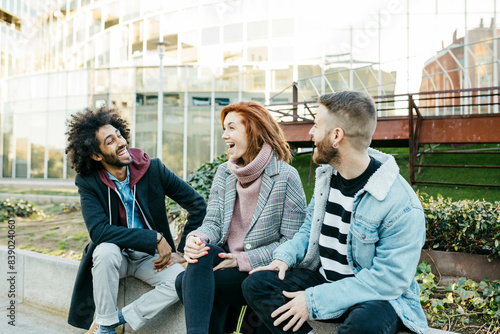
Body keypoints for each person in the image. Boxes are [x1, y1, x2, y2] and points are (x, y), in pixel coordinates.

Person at [243, 91, 427, 334]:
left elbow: (388, 281)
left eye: (316, 125)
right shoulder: (329, 176)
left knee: (366, 324)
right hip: (325, 280)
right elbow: (310, 228)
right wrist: (284, 257)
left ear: (336, 135)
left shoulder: (401, 204)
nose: (310, 132)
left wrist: (314, 300)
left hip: (373, 295)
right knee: (256, 284)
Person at [65, 107, 206, 334]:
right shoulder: (88, 181)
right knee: (104, 251)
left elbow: (197, 205)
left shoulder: (153, 169)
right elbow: (98, 232)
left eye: (119, 135)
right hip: (117, 257)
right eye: (110, 141)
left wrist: (182, 250)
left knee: (181, 280)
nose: (121, 142)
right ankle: (106, 330)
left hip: (152, 259)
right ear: (96, 155)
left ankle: (113, 320)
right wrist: (154, 237)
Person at [175, 101, 307, 334]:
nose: (225, 136)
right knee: (199, 255)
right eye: (224, 129)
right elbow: (213, 222)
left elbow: (292, 241)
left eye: (231, 128)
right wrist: (196, 238)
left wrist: (243, 260)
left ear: (253, 129)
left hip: (261, 270)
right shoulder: (224, 172)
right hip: (225, 259)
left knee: (184, 283)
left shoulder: (286, 176)